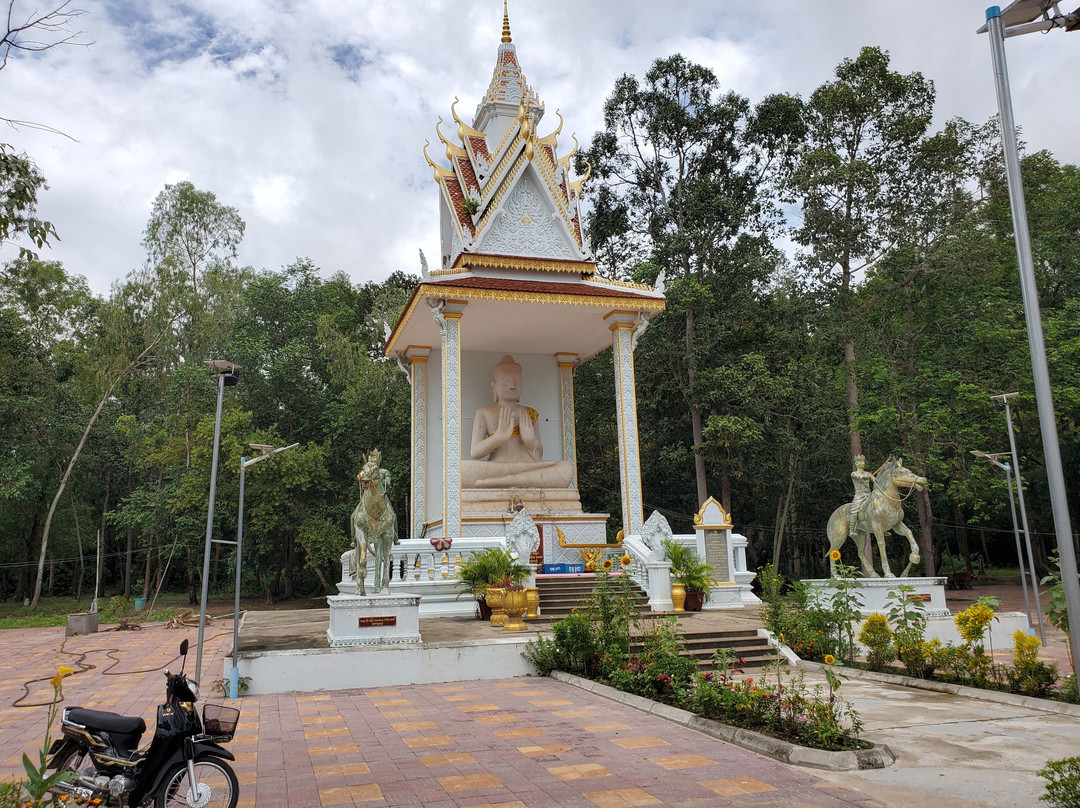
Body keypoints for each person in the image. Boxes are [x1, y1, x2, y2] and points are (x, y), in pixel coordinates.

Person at [461, 355, 574, 489]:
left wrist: (531, 442)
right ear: (494, 386)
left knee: (565, 467)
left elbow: (538, 454)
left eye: (517, 382)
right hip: (498, 468)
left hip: (529, 467)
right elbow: (475, 452)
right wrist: (498, 437)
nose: (512, 386)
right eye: (505, 382)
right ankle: (514, 481)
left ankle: (499, 483)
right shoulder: (483, 412)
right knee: (461, 469)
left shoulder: (530, 413)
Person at [849, 454, 874, 538]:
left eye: (863, 461)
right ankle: (851, 530)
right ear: (856, 463)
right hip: (860, 496)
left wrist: (873, 478)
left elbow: (875, 481)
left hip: (869, 495)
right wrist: (869, 476)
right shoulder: (854, 473)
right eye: (860, 461)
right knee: (855, 510)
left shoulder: (868, 473)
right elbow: (860, 477)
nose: (862, 463)